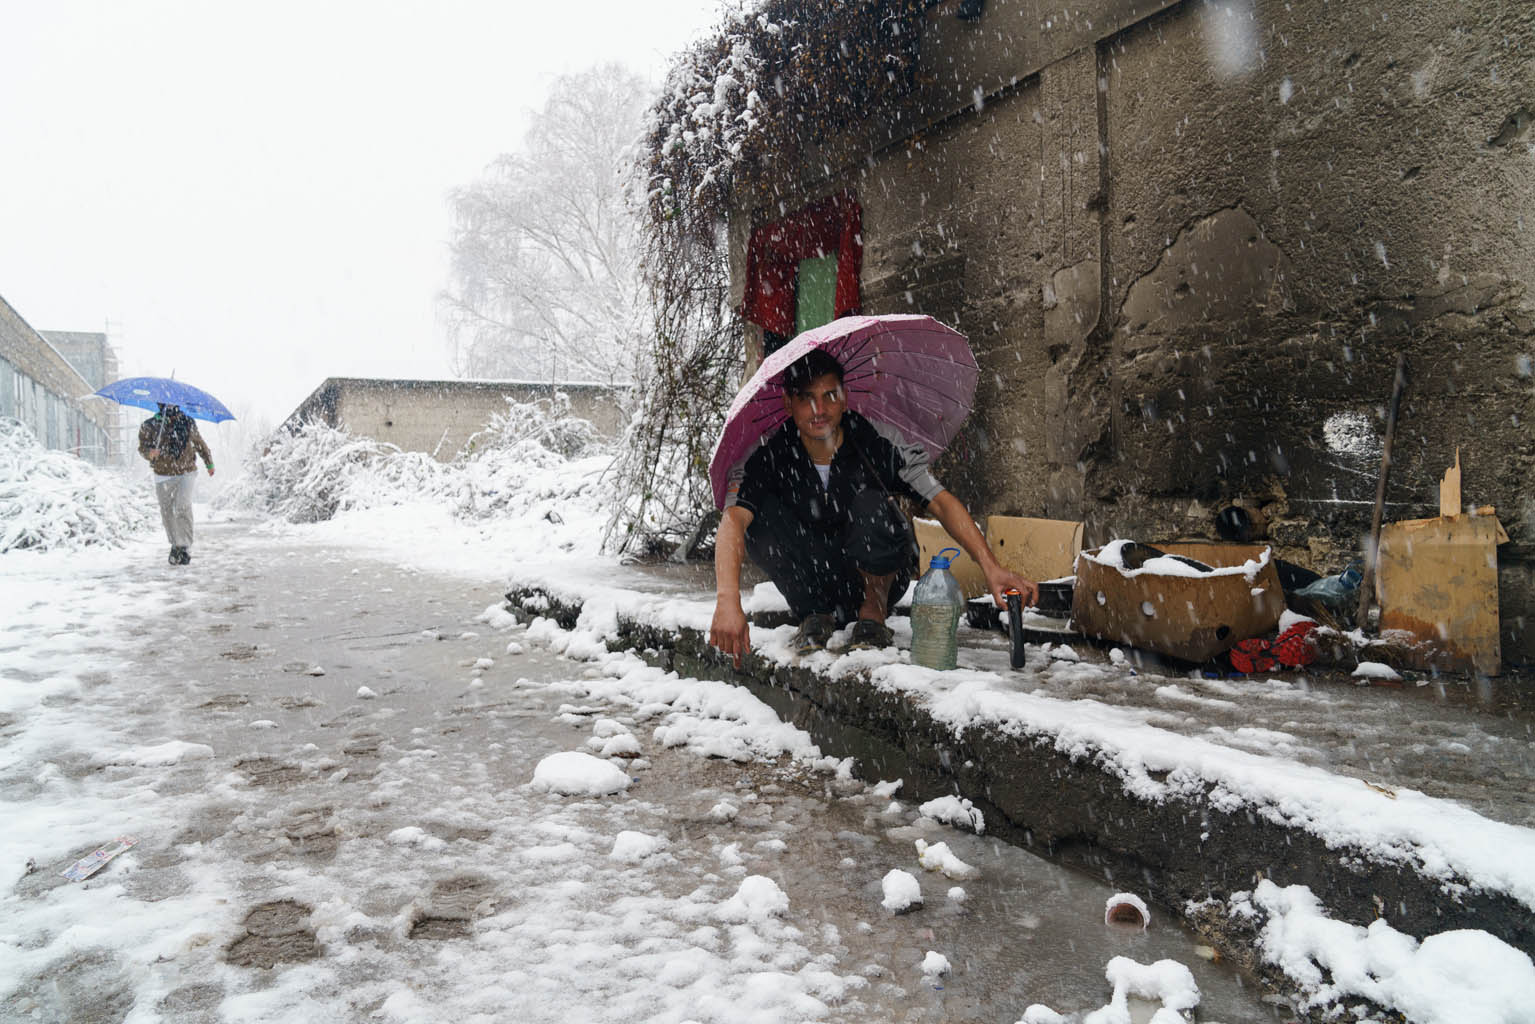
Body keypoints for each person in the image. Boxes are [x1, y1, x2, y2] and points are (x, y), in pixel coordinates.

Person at [709, 349, 1038, 665]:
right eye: (807, 398)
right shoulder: (769, 456)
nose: (819, 409)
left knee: (873, 502)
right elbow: (733, 521)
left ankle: (872, 613)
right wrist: (727, 600)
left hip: (872, 576)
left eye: (830, 395)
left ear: (845, 398)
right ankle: (814, 614)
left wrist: (992, 568)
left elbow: (941, 501)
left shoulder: (876, 441)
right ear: (788, 403)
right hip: (810, 580)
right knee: (755, 518)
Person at [137, 403, 215, 565]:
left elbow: (199, 443)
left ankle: (185, 545)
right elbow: (142, 447)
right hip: (162, 473)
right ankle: (175, 544)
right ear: (160, 404)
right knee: (167, 511)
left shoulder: (187, 422)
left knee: (182, 506)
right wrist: (149, 453)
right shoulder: (150, 425)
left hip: (186, 471)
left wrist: (209, 463)